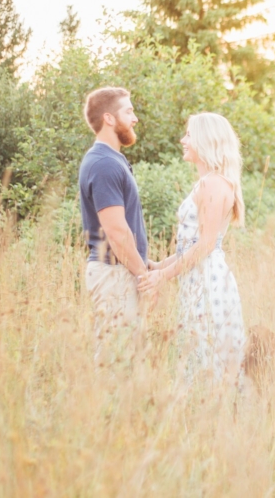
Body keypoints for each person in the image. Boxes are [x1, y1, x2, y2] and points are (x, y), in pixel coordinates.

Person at [139, 113, 247, 385]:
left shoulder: (213, 184)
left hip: (207, 281)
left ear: (205, 140)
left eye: (189, 134)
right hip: (199, 277)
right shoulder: (209, 182)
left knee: (206, 355)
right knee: (200, 353)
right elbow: (191, 244)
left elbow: (206, 245)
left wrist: (162, 277)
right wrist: (159, 265)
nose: (183, 140)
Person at [78, 87, 161, 364]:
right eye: (129, 111)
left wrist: (145, 264)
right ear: (109, 119)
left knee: (126, 360)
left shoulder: (114, 160)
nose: (135, 118)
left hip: (121, 271)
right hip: (114, 275)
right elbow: (115, 231)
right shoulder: (103, 164)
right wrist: (143, 277)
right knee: (115, 363)